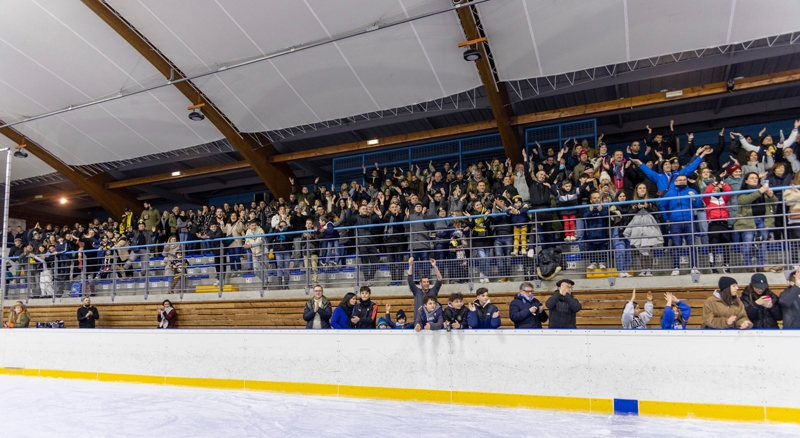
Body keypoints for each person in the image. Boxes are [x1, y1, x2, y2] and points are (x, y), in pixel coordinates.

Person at [407, 257, 442, 324]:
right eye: (424, 282)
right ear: (420, 283)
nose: (426, 284)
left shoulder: (433, 291)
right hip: (418, 322)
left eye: (427, 282)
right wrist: (410, 265)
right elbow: (410, 280)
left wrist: (434, 266)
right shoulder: (416, 291)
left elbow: (439, 279)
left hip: (432, 322)